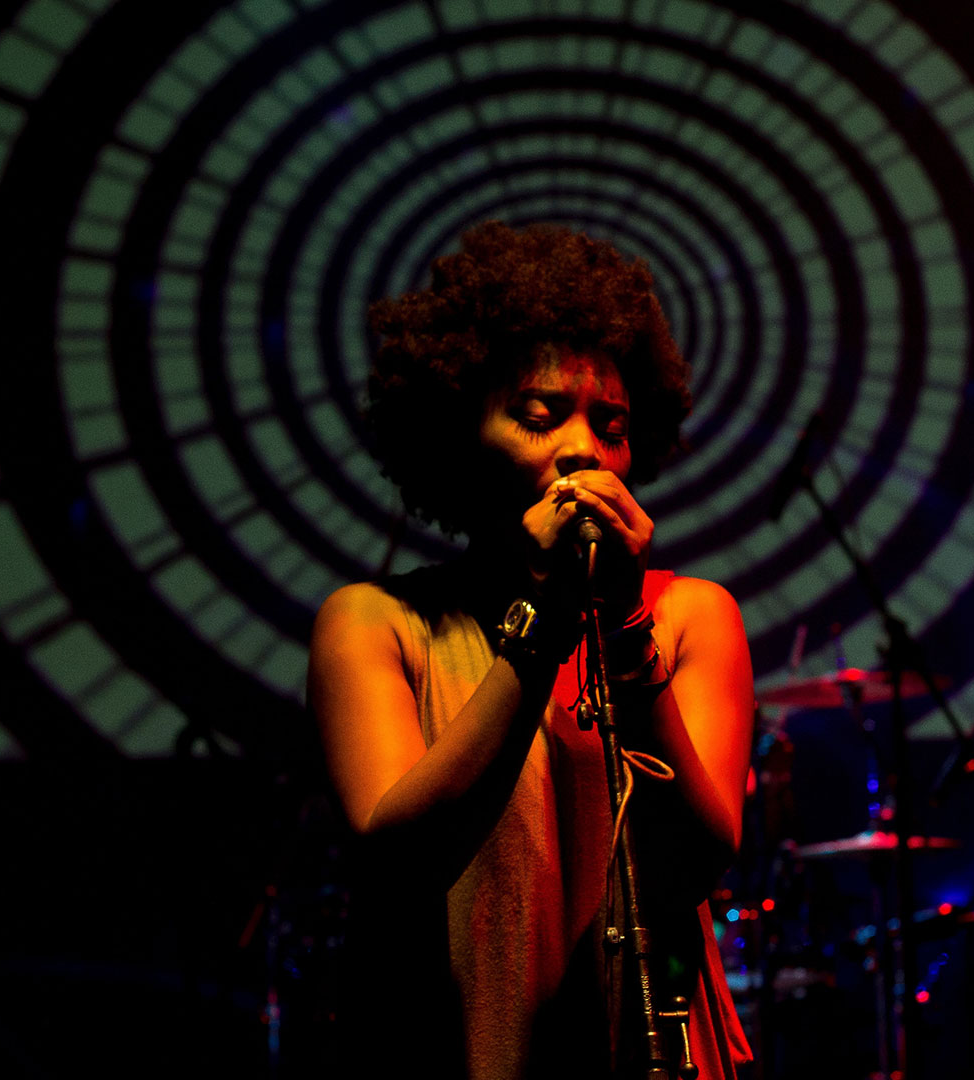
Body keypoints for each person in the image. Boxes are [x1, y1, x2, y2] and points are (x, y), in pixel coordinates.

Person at [307, 221, 755, 1079]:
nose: (584, 448)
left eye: (611, 424)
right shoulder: (373, 623)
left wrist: (620, 625)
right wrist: (544, 623)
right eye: (540, 416)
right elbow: (402, 858)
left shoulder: (688, 618)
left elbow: (693, 860)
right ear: (455, 431)